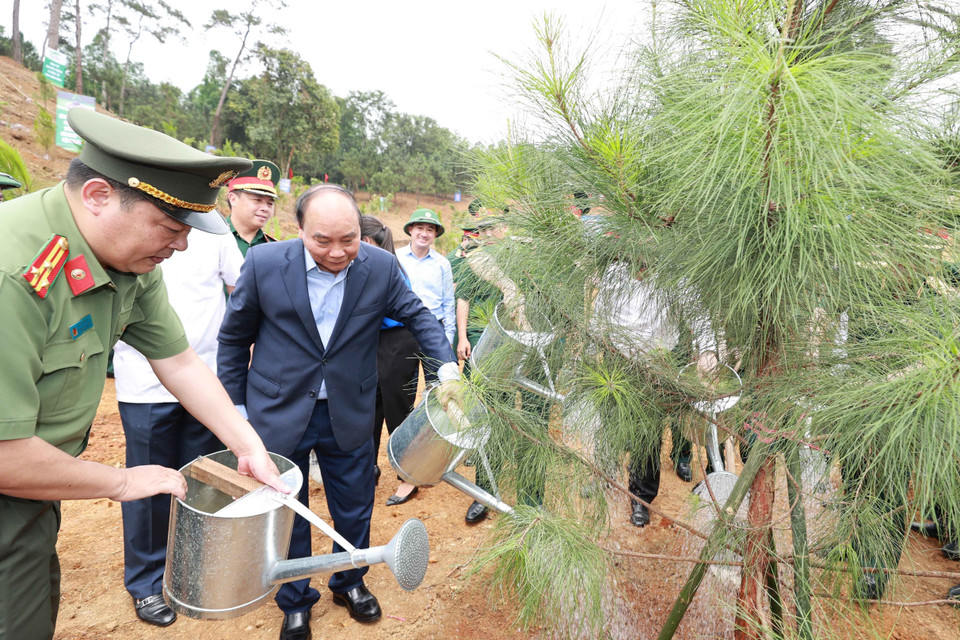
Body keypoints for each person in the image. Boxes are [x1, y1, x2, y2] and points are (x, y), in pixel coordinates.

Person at [0, 108, 287, 640]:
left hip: (33, 495)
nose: (181, 245)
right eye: (171, 227)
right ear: (99, 198)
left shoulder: (130, 259)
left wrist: (247, 444)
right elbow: (5, 455)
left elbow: (177, 360)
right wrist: (123, 480)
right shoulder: (14, 274)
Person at [217, 185, 460, 640]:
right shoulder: (266, 264)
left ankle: (350, 581)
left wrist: (446, 371)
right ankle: (295, 600)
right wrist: (237, 412)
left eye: (348, 239)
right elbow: (233, 340)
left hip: (349, 409)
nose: (336, 252)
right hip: (277, 410)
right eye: (322, 240)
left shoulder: (381, 267)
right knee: (288, 508)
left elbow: (419, 317)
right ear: (300, 230)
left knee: (354, 504)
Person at [112, 227, 245, 626]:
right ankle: (148, 582)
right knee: (149, 485)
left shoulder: (215, 228)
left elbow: (239, 288)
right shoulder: (137, 222)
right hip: (143, 382)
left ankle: (190, 569)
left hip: (204, 379)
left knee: (201, 481)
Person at [591, 261, 718, 527]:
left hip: (657, 363)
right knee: (610, 422)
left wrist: (708, 350)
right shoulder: (615, 271)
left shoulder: (672, 272)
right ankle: (603, 474)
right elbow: (600, 313)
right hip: (618, 361)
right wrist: (593, 350)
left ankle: (641, 498)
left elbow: (698, 313)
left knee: (645, 433)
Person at [358, 215, 422, 504]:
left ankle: (408, 477)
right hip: (372, 343)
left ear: (368, 241)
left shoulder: (388, 268)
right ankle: (368, 470)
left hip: (397, 343)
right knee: (369, 409)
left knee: (397, 411)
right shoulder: (365, 264)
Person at [396, 208, 456, 365]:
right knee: (404, 382)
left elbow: (449, 302)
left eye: (430, 230)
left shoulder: (443, 264)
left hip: (433, 328)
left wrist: (448, 336)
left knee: (436, 382)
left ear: (435, 234)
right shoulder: (395, 258)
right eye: (420, 228)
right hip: (403, 328)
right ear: (410, 229)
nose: (424, 233)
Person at [226, 159, 280, 256]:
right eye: (257, 200)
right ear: (233, 199)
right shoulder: (213, 238)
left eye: (270, 203)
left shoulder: (274, 248)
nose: (265, 208)